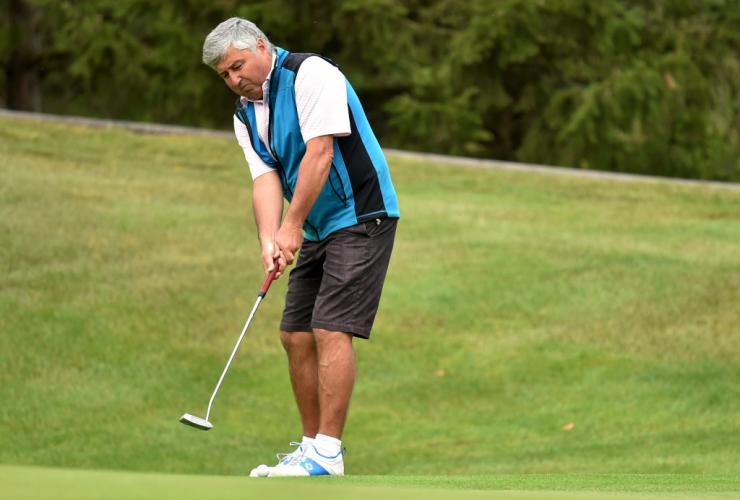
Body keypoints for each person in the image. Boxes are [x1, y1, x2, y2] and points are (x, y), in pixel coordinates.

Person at [202, 18, 400, 477]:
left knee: (330, 326)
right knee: (294, 333)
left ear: (260, 45)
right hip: (316, 227)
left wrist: (291, 227)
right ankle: (310, 447)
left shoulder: (311, 74)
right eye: (225, 75)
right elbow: (265, 177)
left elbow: (320, 152)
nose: (234, 79)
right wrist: (270, 239)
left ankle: (328, 452)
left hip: (362, 214)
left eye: (237, 66)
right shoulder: (245, 114)